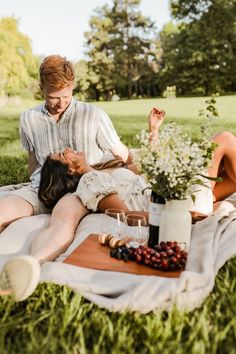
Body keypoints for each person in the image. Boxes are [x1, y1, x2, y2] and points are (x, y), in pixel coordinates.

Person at [0, 54, 132, 301]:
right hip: (44, 183)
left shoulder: (93, 115)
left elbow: (121, 153)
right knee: (4, 209)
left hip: (80, 188)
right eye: (53, 98)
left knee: (62, 221)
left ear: (73, 88)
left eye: (65, 97)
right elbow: (33, 162)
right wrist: (35, 191)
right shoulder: (28, 119)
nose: (60, 104)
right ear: (41, 88)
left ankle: (30, 266)